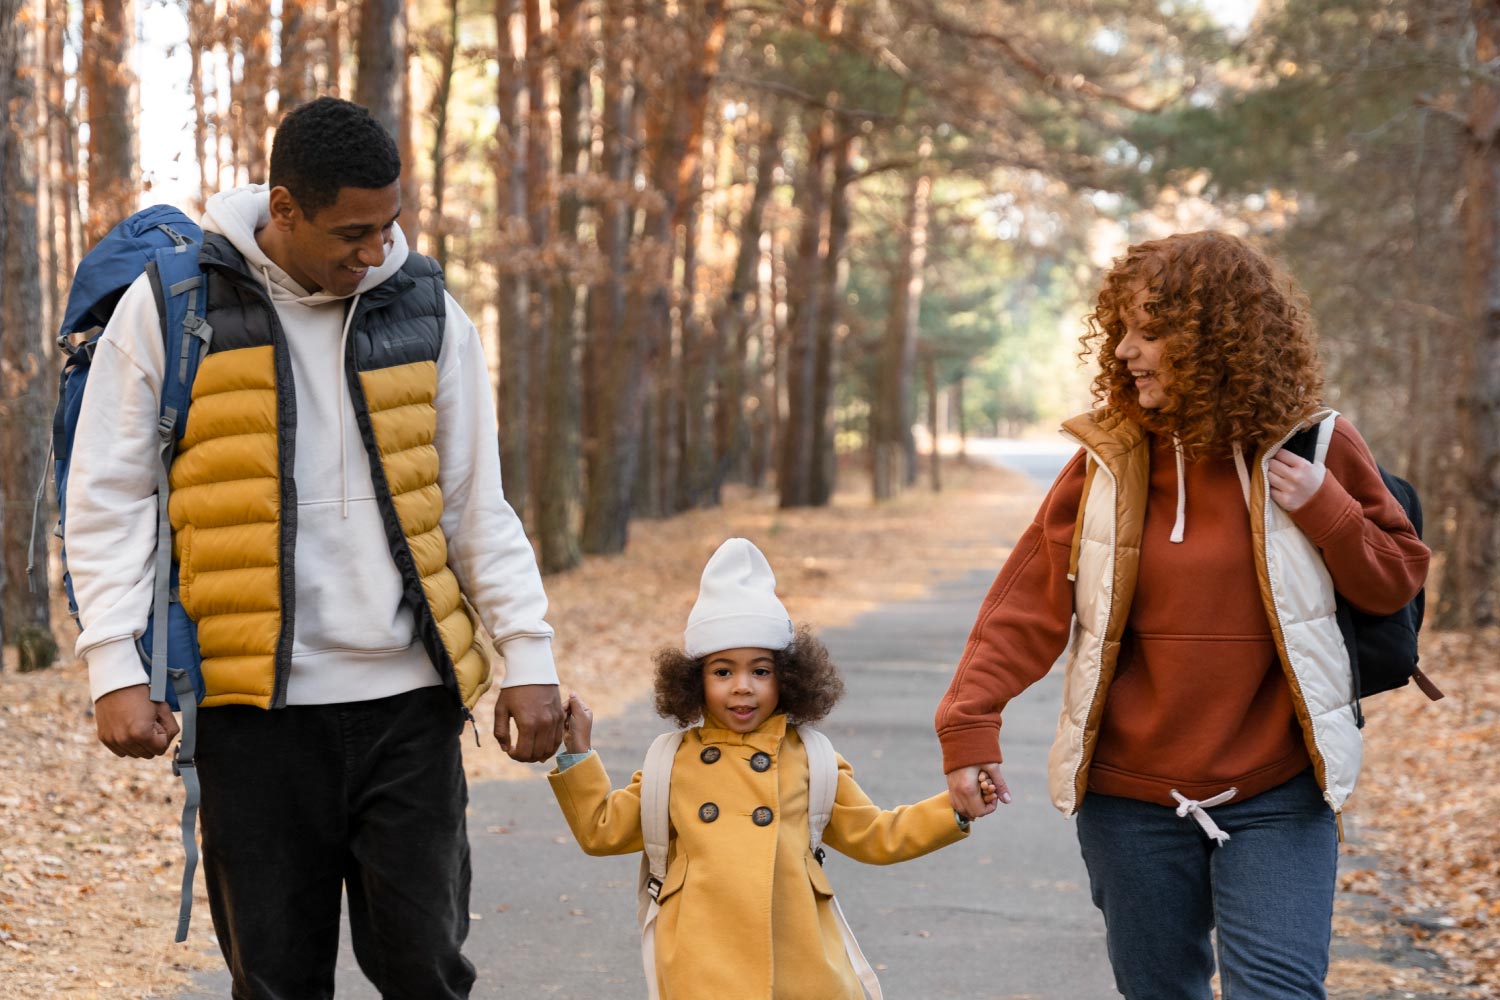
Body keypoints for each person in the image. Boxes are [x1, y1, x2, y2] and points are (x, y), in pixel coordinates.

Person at [65, 97, 563, 999]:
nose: (375, 252)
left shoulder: (426, 310)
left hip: (410, 706)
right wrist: (113, 666)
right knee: (277, 981)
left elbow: (474, 505)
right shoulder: (174, 306)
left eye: (390, 226)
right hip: (252, 716)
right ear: (284, 208)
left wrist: (528, 654)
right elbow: (107, 498)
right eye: (353, 232)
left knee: (426, 973)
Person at [936, 231, 1430, 1000]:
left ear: (1219, 336)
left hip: (1279, 787)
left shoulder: (1315, 447)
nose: (1127, 350)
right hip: (1128, 798)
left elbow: (1395, 579)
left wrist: (1329, 512)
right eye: (1123, 329)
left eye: (1153, 331)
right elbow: (1025, 605)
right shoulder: (1108, 462)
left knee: (1279, 990)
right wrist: (969, 725)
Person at [549, 537, 983, 999]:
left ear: (788, 677)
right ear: (694, 680)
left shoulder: (812, 759)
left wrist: (954, 808)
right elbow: (602, 831)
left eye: (760, 671)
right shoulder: (671, 763)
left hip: (802, 966)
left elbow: (876, 835)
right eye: (722, 672)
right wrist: (579, 755)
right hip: (701, 968)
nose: (742, 688)